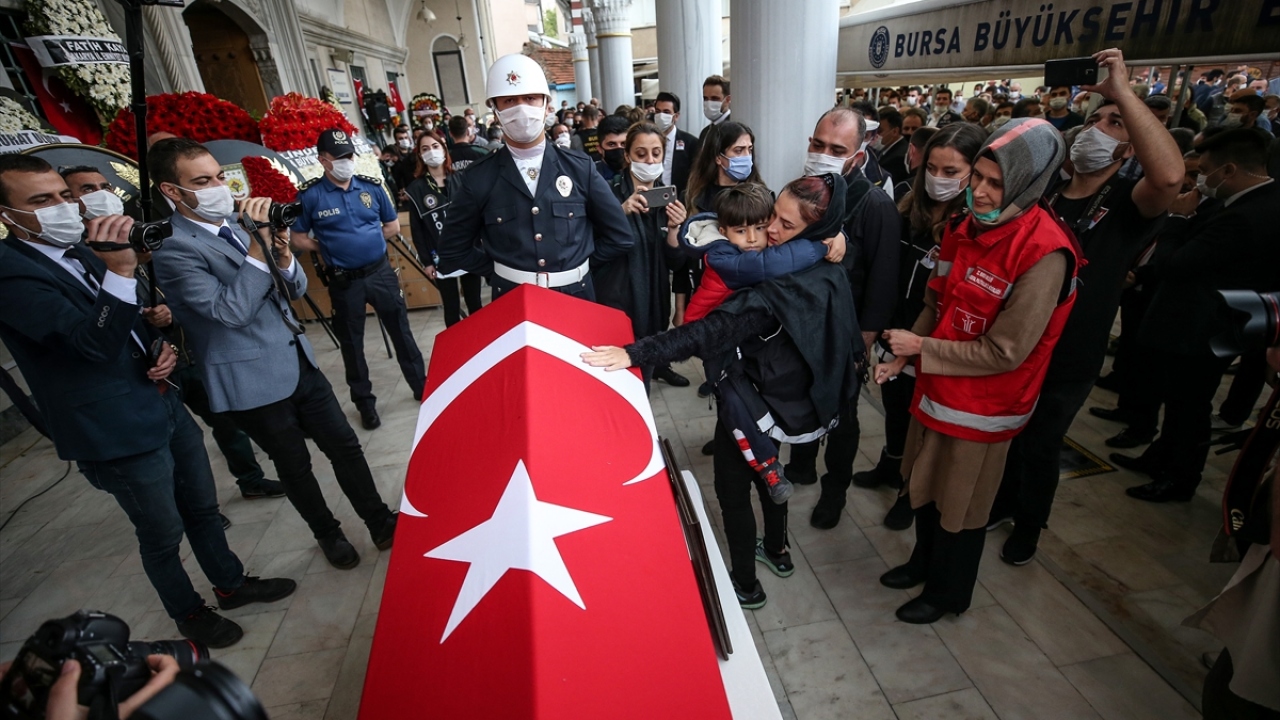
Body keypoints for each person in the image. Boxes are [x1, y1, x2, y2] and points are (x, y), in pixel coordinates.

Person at [0, 154, 296, 647]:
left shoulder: (80, 250)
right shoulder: (11, 273)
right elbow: (88, 343)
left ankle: (231, 582)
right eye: (41, 200)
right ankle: (189, 613)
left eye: (62, 196)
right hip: (113, 429)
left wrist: (159, 346)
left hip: (160, 399)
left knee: (202, 507)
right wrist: (119, 268)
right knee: (162, 530)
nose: (61, 207)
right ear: (9, 215)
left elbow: (127, 326)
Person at [583, 174, 862, 609]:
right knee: (772, 472)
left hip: (751, 398)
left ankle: (746, 585)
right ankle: (777, 551)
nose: (769, 232)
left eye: (785, 227)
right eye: (774, 216)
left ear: (815, 232)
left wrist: (634, 353)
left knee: (734, 489)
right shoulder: (828, 262)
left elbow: (707, 333)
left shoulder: (771, 288)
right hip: (787, 398)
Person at [147, 137, 399, 571]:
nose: (218, 187)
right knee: (294, 466)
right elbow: (230, 312)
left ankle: (379, 520)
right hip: (251, 379)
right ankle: (329, 534)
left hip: (298, 360)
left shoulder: (236, 220)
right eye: (203, 181)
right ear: (172, 191)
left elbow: (296, 290)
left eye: (220, 176)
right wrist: (254, 251)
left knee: (345, 446)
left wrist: (281, 255)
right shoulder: (173, 248)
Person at [873, 118, 1079, 624]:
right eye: (978, 178)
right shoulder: (965, 227)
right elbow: (937, 300)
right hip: (936, 387)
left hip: (984, 408)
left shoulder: (1044, 253)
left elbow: (1007, 351)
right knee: (922, 483)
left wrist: (921, 346)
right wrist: (906, 356)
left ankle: (950, 593)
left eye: (994, 183)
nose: (979, 192)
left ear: (1028, 185)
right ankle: (922, 564)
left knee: (961, 507)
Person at [990, 48, 1184, 562]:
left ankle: (1030, 525)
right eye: (1094, 118)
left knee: (1041, 442)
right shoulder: (1046, 188)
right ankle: (1004, 501)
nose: (1099, 127)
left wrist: (1123, 91)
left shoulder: (1128, 202)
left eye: (1115, 123)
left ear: (1130, 145)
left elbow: (1168, 179)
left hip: (1071, 351)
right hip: (1018, 341)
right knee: (1007, 432)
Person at [58, 165, 282, 503]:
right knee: (172, 439)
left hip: (183, 347)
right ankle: (193, 503)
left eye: (105, 185)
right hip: (142, 367)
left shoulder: (139, 234)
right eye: (88, 189)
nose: (102, 194)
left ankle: (249, 478)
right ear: (71, 201)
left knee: (225, 422)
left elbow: (180, 288)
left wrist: (167, 313)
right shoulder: (78, 255)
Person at [1109, 129, 1280, 501]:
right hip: (1219, 320)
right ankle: (1161, 457)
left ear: (1229, 170)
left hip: (1209, 327)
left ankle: (1180, 477)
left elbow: (1177, 263)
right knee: (1179, 399)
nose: (1200, 179)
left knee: (1190, 405)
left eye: (1204, 170)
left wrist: (1177, 220)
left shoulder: (1246, 215)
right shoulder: (1261, 202)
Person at [856, 124, 988, 532]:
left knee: (922, 425)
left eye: (952, 171)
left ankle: (908, 492)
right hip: (896, 330)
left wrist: (919, 343)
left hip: (933, 341)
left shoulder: (972, 225)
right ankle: (891, 466)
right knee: (896, 412)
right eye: (932, 167)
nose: (938, 178)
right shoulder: (907, 207)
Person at [435, 54, 633, 301]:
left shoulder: (580, 168)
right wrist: (501, 272)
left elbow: (620, 237)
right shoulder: (478, 177)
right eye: (509, 100)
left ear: (546, 104)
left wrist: (578, 266)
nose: (521, 107)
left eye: (529, 98)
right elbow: (452, 249)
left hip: (576, 296)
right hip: (513, 300)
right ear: (495, 111)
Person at [789, 108, 902, 530]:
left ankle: (834, 491)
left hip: (846, 333)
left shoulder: (874, 207)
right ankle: (800, 465)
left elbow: (883, 283)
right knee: (799, 398)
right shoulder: (801, 192)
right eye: (818, 145)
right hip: (801, 323)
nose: (823, 155)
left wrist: (864, 343)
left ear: (857, 155)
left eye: (837, 149)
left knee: (841, 417)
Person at [289, 129, 426, 430]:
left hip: (379, 273)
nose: (345, 162)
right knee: (353, 345)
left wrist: (366, 241)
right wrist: (325, 248)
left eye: (349, 156)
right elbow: (298, 238)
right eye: (338, 158)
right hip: (344, 281)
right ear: (323, 160)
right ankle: (365, 404)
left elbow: (390, 225)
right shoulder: (311, 195)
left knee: (401, 332)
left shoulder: (371, 188)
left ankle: (421, 387)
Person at [594, 121, 691, 390]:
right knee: (617, 382)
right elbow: (592, 251)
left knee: (643, 377)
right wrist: (619, 213)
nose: (649, 160)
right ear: (627, 156)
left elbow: (675, 261)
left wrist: (674, 230)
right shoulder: (607, 196)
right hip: (615, 304)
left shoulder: (668, 200)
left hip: (653, 304)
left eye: (656, 153)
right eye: (641, 154)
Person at [683, 120, 763, 400]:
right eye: (738, 150)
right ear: (719, 157)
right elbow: (685, 260)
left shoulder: (761, 195)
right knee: (718, 373)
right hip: (710, 298)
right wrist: (681, 306)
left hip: (751, 298)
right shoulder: (696, 199)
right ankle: (726, 431)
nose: (746, 157)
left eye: (749, 149)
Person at [405, 129, 484, 328]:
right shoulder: (416, 189)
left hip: (469, 251)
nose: (431, 152)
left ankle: (481, 345)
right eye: (425, 148)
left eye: (435, 146)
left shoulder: (462, 179)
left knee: (475, 303)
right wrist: (427, 262)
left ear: (444, 148)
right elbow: (418, 229)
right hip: (440, 256)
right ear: (420, 155)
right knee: (451, 307)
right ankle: (458, 350)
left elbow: (476, 217)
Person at [653, 91, 701, 196]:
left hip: (678, 200)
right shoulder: (649, 140)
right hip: (652, 198)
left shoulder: (690, 143)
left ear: (676, 116)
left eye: (666, 112)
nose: (661, 116)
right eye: (658, 111)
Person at [594, 114, 632, 185]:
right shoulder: (590, 177)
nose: (619, 148)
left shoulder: (640, 174)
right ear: (599, 148)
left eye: (624, 144)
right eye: (612, 144)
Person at [876, 108, 909, 185]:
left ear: (895, 131)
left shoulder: (898, 158)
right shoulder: (885, 149)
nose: (875, 136)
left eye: (879, 131)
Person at [700, 75, 732, 141]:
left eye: (714, 98)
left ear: (728, 99)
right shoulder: (705, 132)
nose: (709, 102)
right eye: (705, 98)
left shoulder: (734, 129)